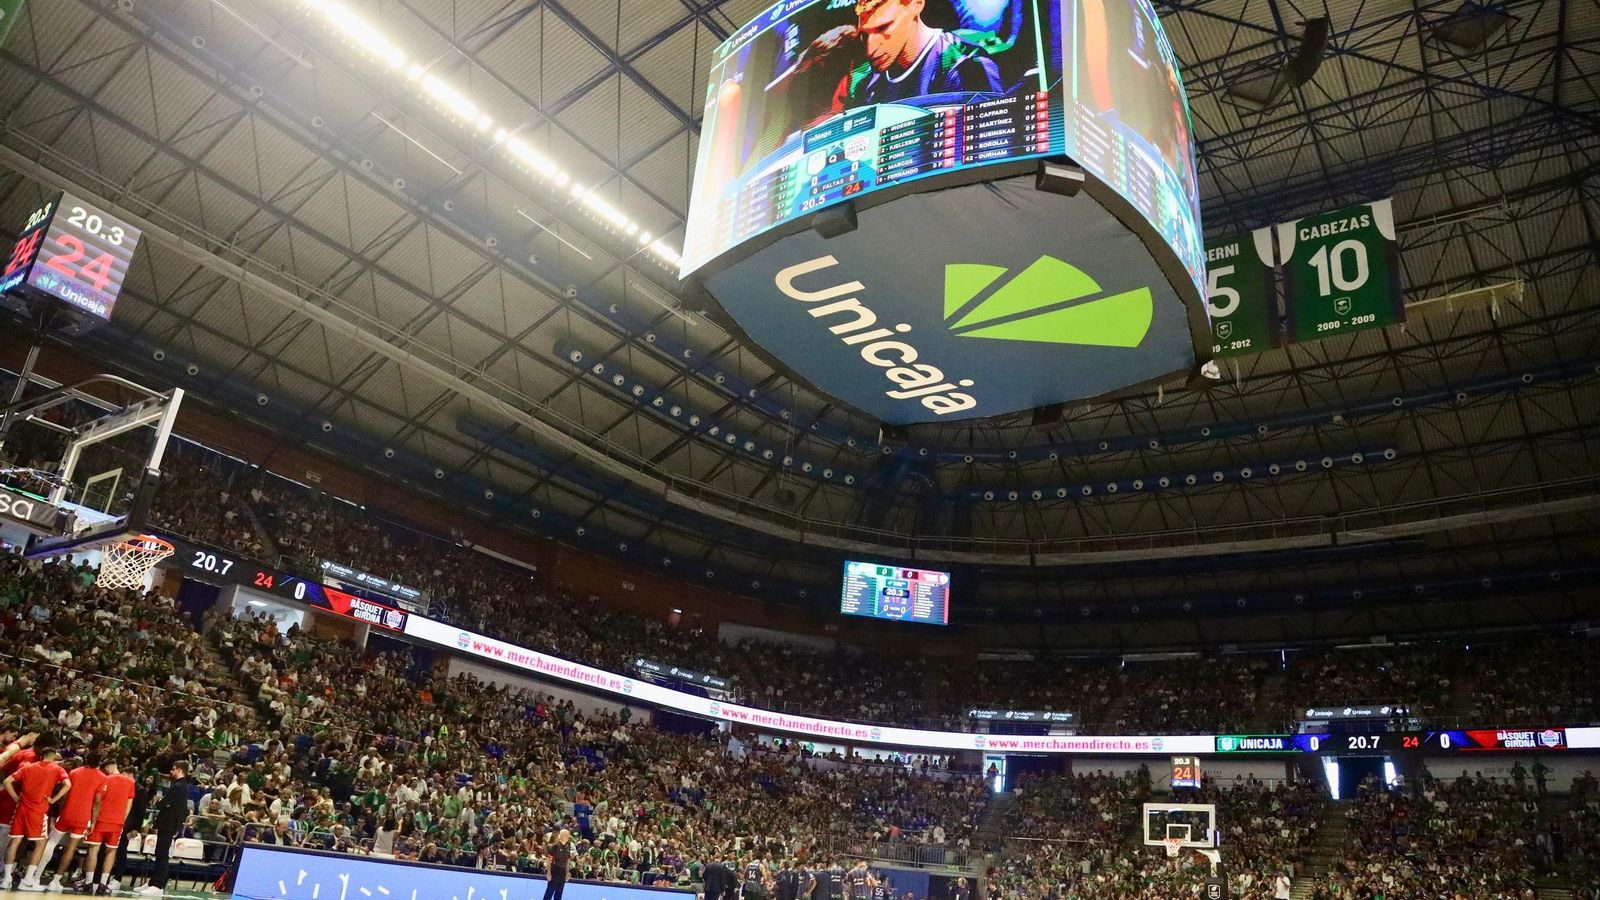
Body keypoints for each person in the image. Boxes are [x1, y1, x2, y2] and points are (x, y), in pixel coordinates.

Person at [801, 0, 1002, 116]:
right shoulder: (861, 82)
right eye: (865, 34)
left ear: (916, 4)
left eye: (883, 28)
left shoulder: (964, 64)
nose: (871, 47)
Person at [1, 733, 71, 891]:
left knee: (15, 842)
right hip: (38, 811)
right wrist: (53, 799)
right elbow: (67, 785)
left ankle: (6, 879)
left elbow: (6, 781)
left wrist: (15, 797)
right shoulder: (56, 768)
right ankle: (27, 880)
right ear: (52, 754)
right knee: (41, 844)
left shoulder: (28, 767)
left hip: (21, 809)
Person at [42, 750, 107, 892]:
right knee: (71, 848)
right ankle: (56, 880)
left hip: (67, 813)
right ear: (99, 762)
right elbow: (97, 802)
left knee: (51, 842)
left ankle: (35, 874)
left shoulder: (74, 772)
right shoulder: (102, 777)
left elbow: (65, 793)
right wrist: (93, 822)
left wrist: (61, 810)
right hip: (83, 817)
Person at [78, 755, 136, 896]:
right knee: (111, 852)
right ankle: (103, 884)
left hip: (101, 820)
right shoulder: (130, 782)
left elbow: (97, 802)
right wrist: (122, 819)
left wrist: (93, 820)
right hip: (117, 822)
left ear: (109, 767)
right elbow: (129, 805)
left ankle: (89, 883)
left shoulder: (104, 779)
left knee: (93, 849)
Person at [133, 760, 192, 897]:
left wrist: (161, 802)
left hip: (169, 823)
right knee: (159, 852)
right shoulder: (179, 785)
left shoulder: (179, 786)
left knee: (162, 854)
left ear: (178, 769)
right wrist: (164, 804)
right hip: (168, 823)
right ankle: (153, 882)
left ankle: (158, 885)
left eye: (173, 769)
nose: (171, 771)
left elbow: (163, 803)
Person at [542, 828, 572, 900]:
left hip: (562, 871)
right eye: (566, 835)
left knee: (559, 892)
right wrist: (548, 872)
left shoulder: (567, 847)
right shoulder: (555, 846)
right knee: (550, 891)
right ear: (561, 836)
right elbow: (549, 860)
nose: (568, 837)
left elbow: (567, 861)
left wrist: (567, 872)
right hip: (555, 870)